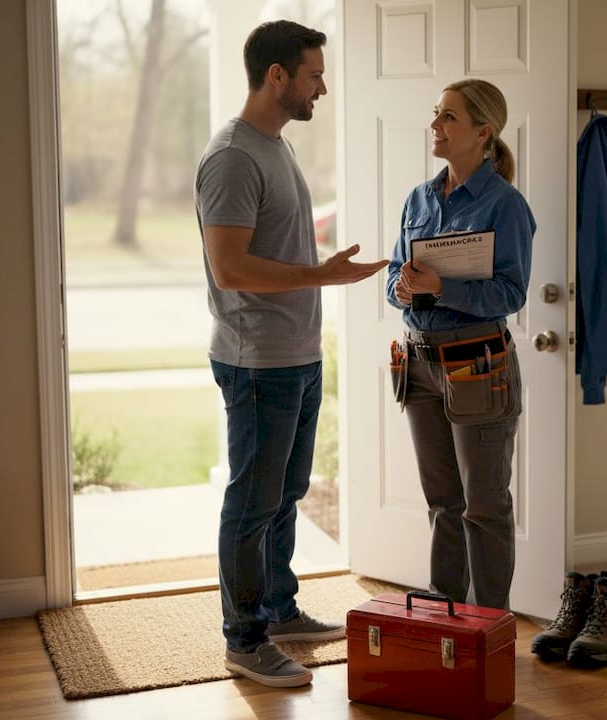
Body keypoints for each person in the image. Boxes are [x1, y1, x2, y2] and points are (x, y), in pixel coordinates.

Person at [194, 19, 388, 688]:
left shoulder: (277, 147)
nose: (323, 87)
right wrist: (325, 276)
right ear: (277, 76)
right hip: (257, 362)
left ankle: (277, 610)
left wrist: (320, 282)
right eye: (313, 74)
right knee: (252, 502)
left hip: (296, 354)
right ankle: (243, 639)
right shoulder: (233, 157)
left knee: (285, 495)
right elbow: (230, 268)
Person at [386, 78, 536, 611]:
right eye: (437, 114)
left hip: (478, 364)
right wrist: (403, 287)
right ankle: (444, 616)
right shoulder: (418, 199)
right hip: (418, 365)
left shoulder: (506, 206)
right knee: (443, 503)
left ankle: (487, 625)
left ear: (483, 132)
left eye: (449, 117)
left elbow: (511, 293)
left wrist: (441, 287)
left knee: (484, 506)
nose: (436, 125)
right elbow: (392, 281)